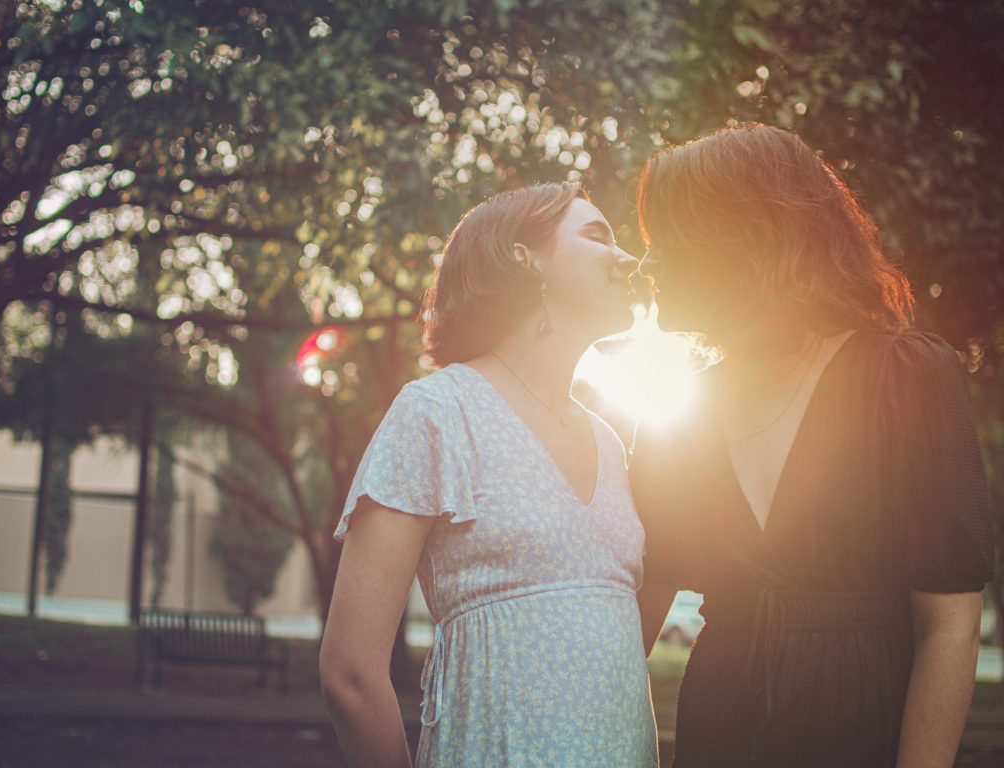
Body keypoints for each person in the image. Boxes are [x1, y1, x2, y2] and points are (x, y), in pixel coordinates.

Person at [632, 122, 995, 768]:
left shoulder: (905, 378)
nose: (646, 263)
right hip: (718, 733)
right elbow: (631, 620)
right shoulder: (681, 415)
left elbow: (949, 629)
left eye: (668, 239)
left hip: (861, 730)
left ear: (743, 237)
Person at [319, 181, 659, 768]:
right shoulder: (437, 413)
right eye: (598, 235)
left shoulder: (608, 439)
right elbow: (350, 672)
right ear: (524, 257)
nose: (628, 258)